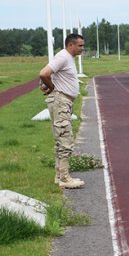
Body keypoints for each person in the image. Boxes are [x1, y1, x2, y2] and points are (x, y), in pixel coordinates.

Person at [39, 34, 85, 189]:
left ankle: (60, 175)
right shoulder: (63, 57)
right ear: (70, 45)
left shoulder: (66, 58)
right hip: (61, 102)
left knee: (61, 139)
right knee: (65, 140)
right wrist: (51, 87)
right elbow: (44, 73)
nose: (82, 48)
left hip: (63, 102)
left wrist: (48, 85)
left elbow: (48, 75)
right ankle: (65, 178)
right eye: (80, 46)